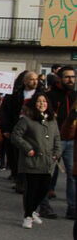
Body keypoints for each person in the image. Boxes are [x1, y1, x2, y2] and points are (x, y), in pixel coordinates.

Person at [11, 93, 61, 229]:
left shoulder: (52, 121)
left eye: (44, 101)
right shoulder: (27, 120)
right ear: (34, 104)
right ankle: (27, 216)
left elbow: (57, 139)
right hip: (32, 160)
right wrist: (28, 148)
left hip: (48, 161)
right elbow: (16, 136)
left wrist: (57, 153)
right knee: (31, 189)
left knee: (44, 188)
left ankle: (32, 211)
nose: (42, 104)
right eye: (39, 101)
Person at [0, 71, 42, 194]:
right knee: (17, 157)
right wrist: (6, 129)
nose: (34, 82)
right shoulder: (15, 95)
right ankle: (20, 181)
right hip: (17, 129)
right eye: (31, 79)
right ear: (25, 81)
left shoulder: (41, 96)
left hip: (34, 131)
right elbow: (5, 112)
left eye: (36, 79)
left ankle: (30, 183)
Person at [46, 65, 76, 218]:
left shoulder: (75, 96)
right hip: (55, 140)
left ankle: (72, 207)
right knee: (48, 173)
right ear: (60, 78)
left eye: (73, 77)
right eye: (67, 77)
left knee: (72, 174)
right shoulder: (51, 95)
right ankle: (44, 205)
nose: (71, 80)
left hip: (72, 141)